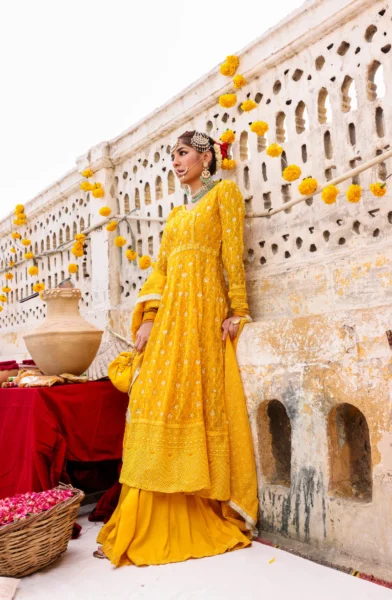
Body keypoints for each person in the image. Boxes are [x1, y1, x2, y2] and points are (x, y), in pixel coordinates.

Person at [95, 130, 258, 566]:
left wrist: (238, 309)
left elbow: (231, 255)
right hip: (171, 318)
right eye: (172, 155)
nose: (175, 162)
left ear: (206, 157)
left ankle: (192, 504)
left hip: (204, 314)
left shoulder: (224, 194)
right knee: (153, 395)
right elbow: (162, 269)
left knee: (188, 400)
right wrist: (148, 320)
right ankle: (142, 515)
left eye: (183, 153)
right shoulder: (177, 213)